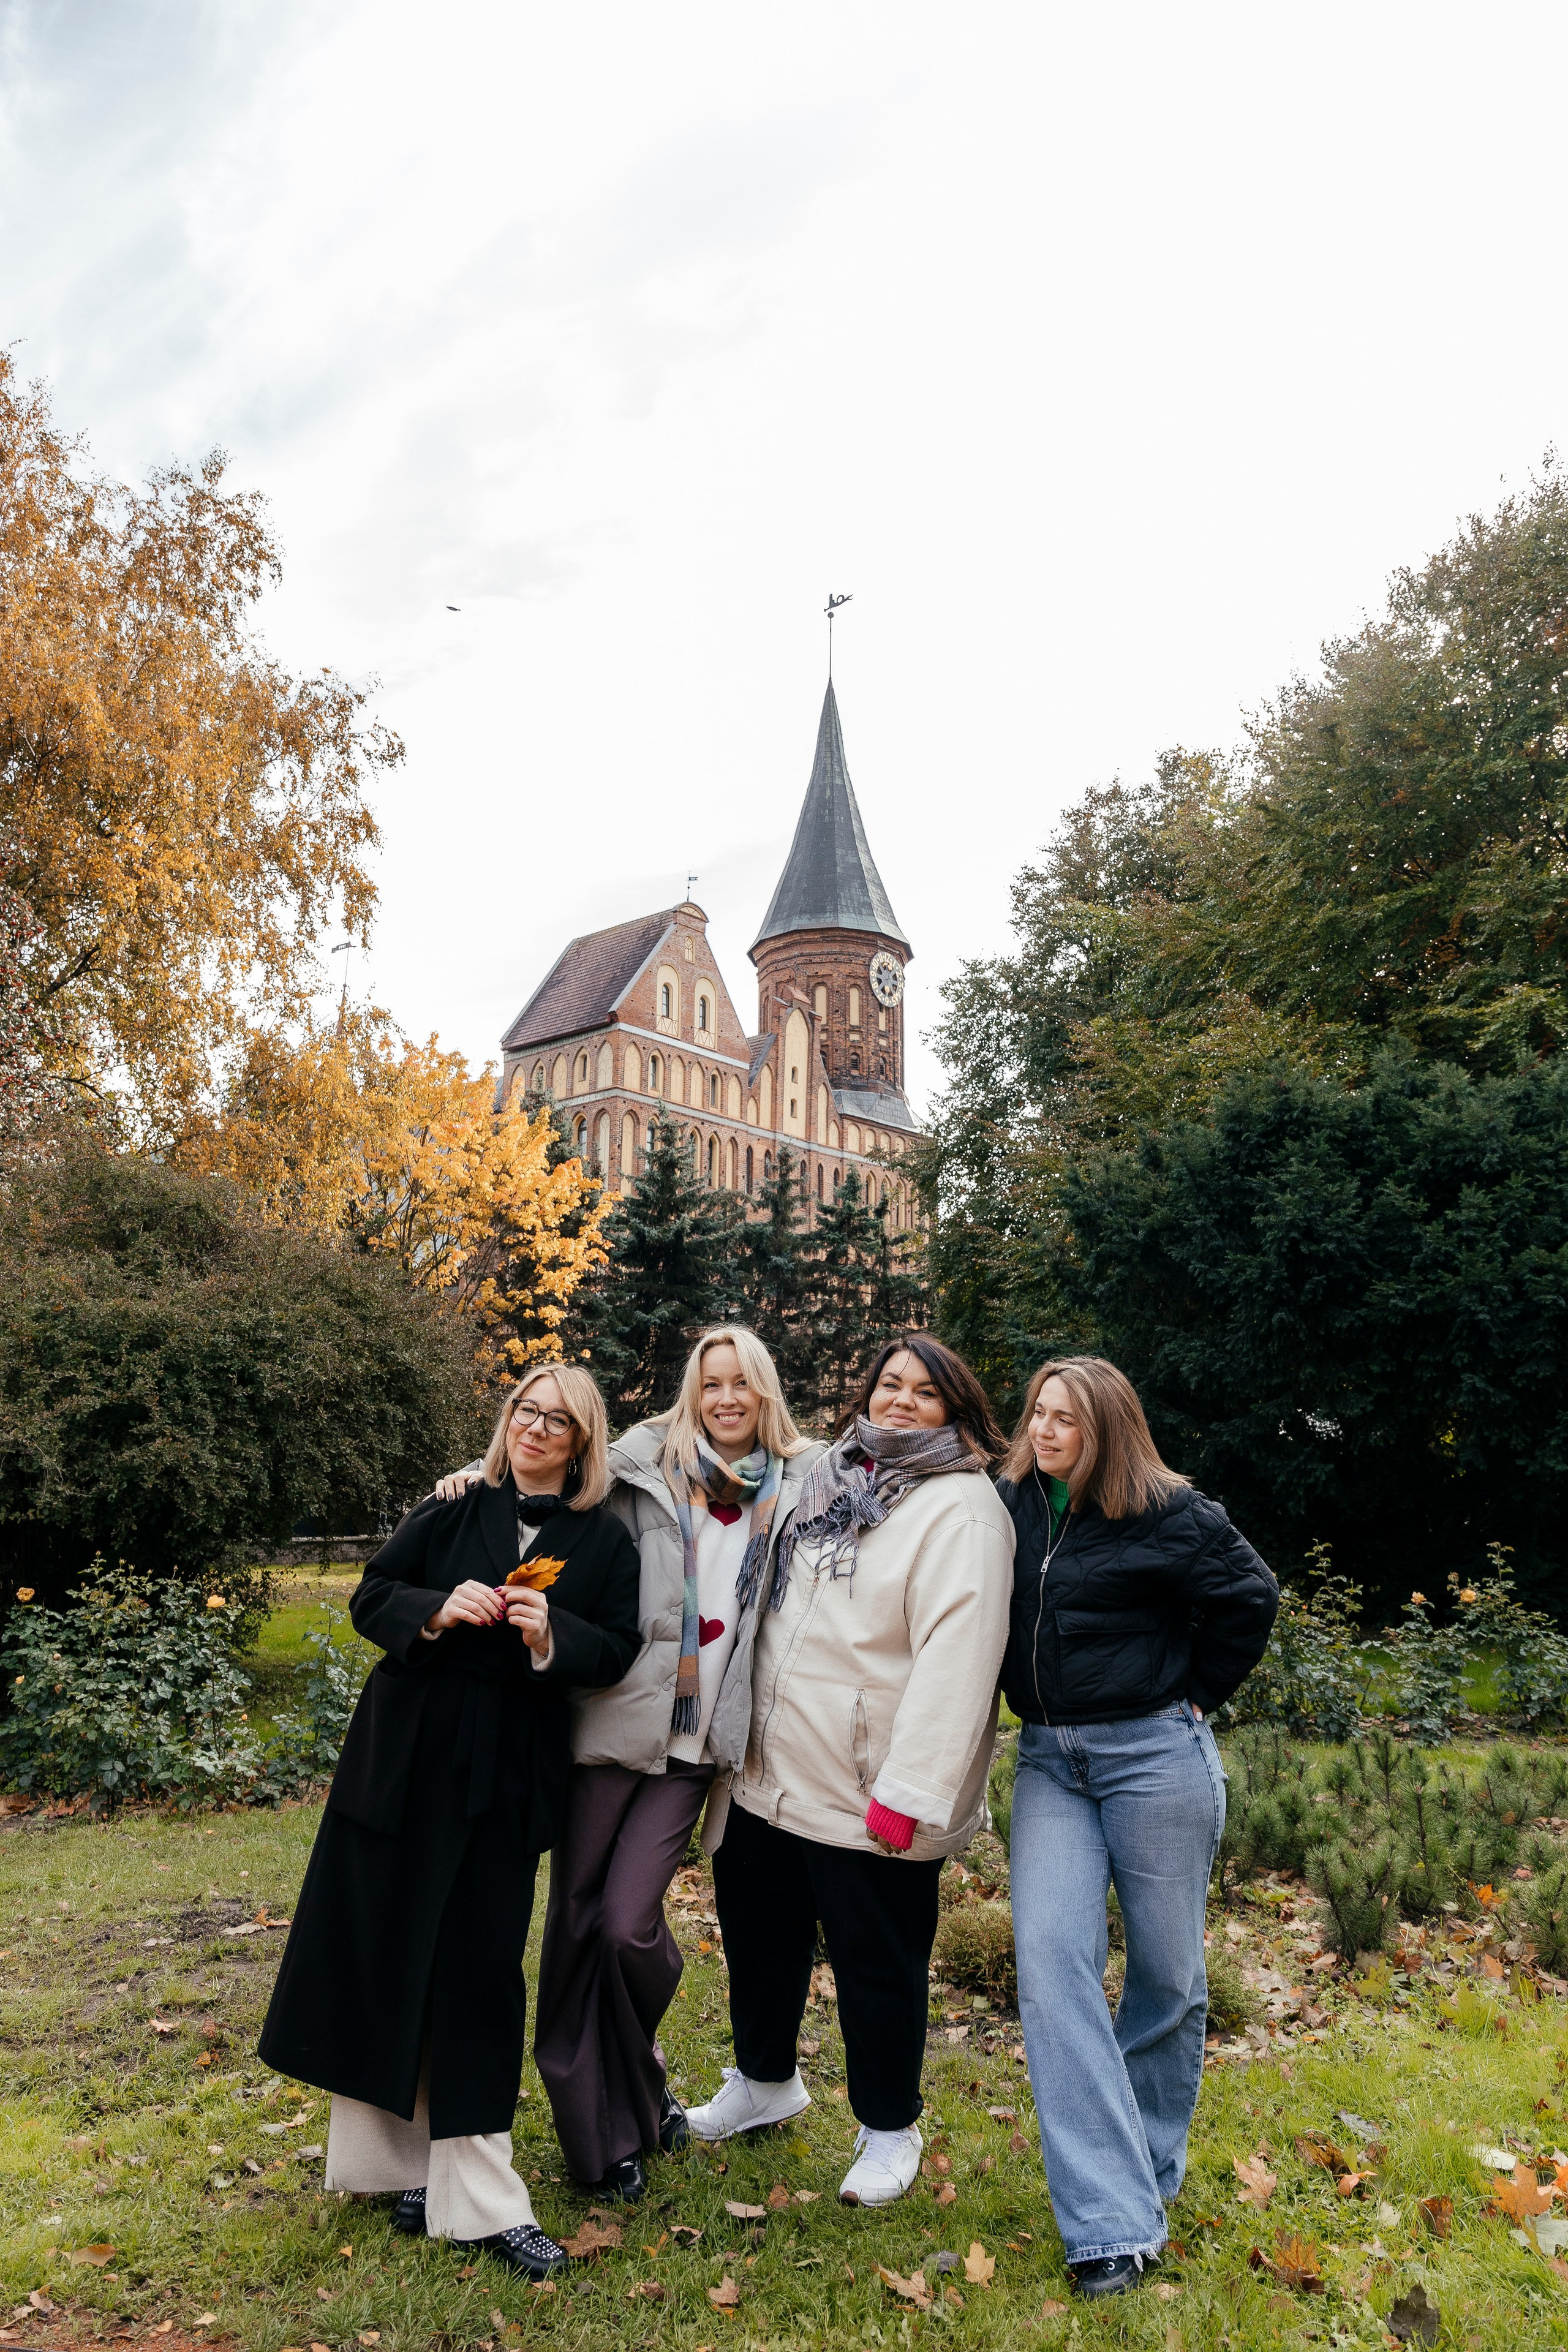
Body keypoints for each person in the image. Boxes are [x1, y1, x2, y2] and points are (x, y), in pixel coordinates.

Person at [257, 1363, 641, 2280]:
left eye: (558, 1421)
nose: (536, 1430)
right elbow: (370, 1597)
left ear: (583, 1442)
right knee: (394, 1952)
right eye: (525, 1413)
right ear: (507, 1422)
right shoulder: (451, 1506)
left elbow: (618, 1649)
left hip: (505, 1777)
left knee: (478, 1972)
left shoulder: (605, 1544)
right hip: (403, 1765)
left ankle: (483, 2199)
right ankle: (409, 2170)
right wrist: (435, 1611)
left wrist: (550, 1632)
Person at [434, 1325, 823, 2201]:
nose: (727, 1399)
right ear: (692, 1392)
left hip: (699, 1747)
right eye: (711, 1383)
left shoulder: (802, 1482)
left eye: (742, 1384)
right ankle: (604, 2137)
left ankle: (640, 2080)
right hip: (610, 1726)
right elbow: (543, 1458)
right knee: (575, 1926)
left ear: (765, 1392)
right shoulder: (640, 1467)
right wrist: (473, 1476)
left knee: (625, 1927)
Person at [684, 1334, 1016, 2210]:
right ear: (865, 1393)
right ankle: (764, 2081)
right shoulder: (827, 1472)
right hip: (771, 1767)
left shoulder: (964, 1510)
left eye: (926, 1392)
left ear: (956, 1408)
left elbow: (961, 1659)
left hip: (869, 1784)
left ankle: (888, 2127)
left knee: (879, 1962)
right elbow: (691, 1441)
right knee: (758, 1937)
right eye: (889, 1384)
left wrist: (910, 1794)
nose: (902, 1401)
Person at [998, 1355, 1278, 2300]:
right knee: (1050, 1962)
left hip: (1154, 1759)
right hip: (1049, 1763)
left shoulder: (1168, 1510)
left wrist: (1199, 1695)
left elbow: (1251, 1597)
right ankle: (1108, 2225)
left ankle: (1147, 2171)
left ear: (1108, 1427)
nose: (1044, 1430)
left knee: (1166, 1977)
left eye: (1066, 1419)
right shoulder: (1010, 1505)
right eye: (1038, 1412)